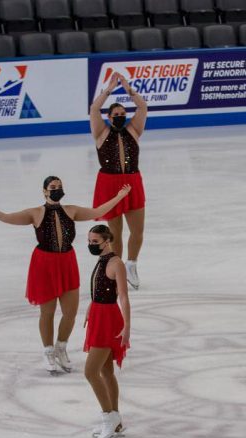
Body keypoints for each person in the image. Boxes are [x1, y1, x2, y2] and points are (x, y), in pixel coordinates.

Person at [0, 180, 130, 374]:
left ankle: (61, 347)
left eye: (59, 186)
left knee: (70, 312)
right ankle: (48, 351)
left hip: (67, 262)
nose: (57, 190)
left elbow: (97, 211)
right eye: (53, 188)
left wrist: (120, 196)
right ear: (44, 191)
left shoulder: (71, 210)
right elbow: (7, 217)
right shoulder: (35, 213)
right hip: (44, 265)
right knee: (48, 312)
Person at [89, 72, 147, 289]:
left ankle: (131, 265)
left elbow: (142, 108)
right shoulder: (100, 132)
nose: (121, 116)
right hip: (109, 184)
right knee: (115, 231)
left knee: (137, 230)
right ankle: (116, 269)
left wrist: (127, 88)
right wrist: (110, 89)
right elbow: (94, 109)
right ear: (110, 117)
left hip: (132, 182)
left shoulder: (133, 129)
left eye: (123, 113)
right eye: (116, 114)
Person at [83, 225, 131, 438]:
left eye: (94, 242)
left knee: (90, 372)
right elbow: (98, 289)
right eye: (89, 241)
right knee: (106, 371)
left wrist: (127, 325)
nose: (91, 245)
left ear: (107, 240)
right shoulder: (102, 260)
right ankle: (116, 420)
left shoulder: (116, 264)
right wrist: (90, 310)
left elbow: (123, 296)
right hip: (98, 315)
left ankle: (108, 418)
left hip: (108, 321)